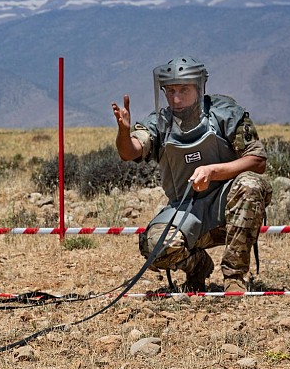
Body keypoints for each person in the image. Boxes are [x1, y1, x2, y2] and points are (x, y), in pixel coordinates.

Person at [111, 56, 272, 293]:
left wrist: (214, 171)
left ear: (199, 87)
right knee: (155, 247)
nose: (176, 98)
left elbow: (257, 160)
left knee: (251, 184)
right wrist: (124, 133)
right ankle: (198, 265)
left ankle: (234, 277)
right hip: (186, 209)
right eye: (170, 91)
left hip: (228, 203)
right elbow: (131, 151)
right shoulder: (159, 123)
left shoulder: (224, 114)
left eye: (183, 90)